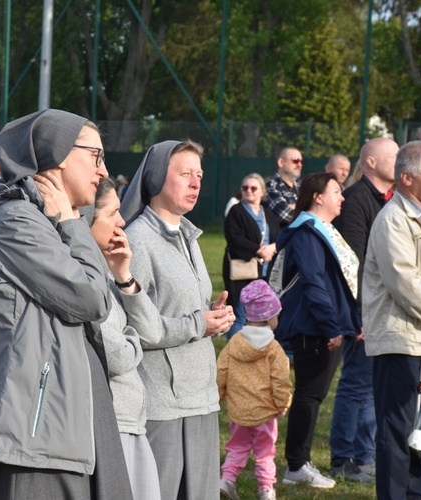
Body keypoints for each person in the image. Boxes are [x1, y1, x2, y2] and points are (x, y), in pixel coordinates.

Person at [0, 109, 132, 499]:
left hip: (56, 419)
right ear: (58, 154)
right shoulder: (17, 222)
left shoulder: (42, 218)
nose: (104, 171)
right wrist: (71, 223)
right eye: (95, 156)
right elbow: (91, 299)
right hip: (32, 433)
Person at [119, 140, 235, 500]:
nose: (196, 183)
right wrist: (199, 324)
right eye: (185, 174)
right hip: (161, 405)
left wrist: (212, 316)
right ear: (156, 179)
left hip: (201, 395)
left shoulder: (190, 237)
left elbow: (183, 311)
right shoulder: (137, 239)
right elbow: (138, 328)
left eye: (199, 175)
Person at [363, 140, 421, 499]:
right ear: (407, 178)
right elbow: (406, 284)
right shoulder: (393, 220)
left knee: (416, 436)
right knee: (396, 436)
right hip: (401, 342)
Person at [273, 172, 360, 489]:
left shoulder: (321, 231)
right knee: (309, 396)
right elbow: (313, 283)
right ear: (317, 196)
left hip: (323, 327)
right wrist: (332, 326)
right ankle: (296, 466)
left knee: (312, 395)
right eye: (336, 191)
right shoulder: (307, 233)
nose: (343, 197)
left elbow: (337, 283)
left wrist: (351, 322)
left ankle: (300, 462)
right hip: (315, 329)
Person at [328, 137, 398, 482]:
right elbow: (352, 264)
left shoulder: (388, 199)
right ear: (371, 162)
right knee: (357, 384)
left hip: (379, 308)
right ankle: (346, 459)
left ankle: (363, 456)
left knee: (370, 385)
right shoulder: (356, 199)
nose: (400, 161)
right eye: (394, 155)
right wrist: (360, 315)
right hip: (362, 310)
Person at [88, 177, 160, 500]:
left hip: (131, 422)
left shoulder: (106, 270)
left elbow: (151, 331)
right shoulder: (84, 278)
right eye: (112, 213)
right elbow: (117, 357)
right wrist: (132, 338)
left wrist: (124, 277)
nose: (122, 221)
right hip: (111, 426)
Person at [218, 279, 292, 500]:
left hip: (239, 411)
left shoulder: (234, 343)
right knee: (265, 453)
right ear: (269, 317)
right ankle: (266, 490)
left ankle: (227, 480)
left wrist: (218, 394)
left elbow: (221, 370)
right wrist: (282, 404)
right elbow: (280, 380)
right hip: (265, 412)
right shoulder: (274, 348)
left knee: (237, 447)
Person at [222, 173, 280, 338]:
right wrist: (259, 250)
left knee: (261, 314)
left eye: (253, 188)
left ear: (262, 191)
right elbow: (235, 238)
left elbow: (278, 235)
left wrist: (272, 248)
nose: (248, 191)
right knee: (240, 314)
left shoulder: (268, 213)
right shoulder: (236, 211)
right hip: (243, 272)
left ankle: (254, 348)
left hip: (265, 270)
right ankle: (234, 351)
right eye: (245, 188)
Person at [264, 147, 303, 227]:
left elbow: (317, 210)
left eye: (302, 162)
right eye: (295, 160)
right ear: (281, 162)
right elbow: (285, 215)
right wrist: (304, 208)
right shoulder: (271, 186)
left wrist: (294, 207)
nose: (299, 165)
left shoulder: (302, 186)